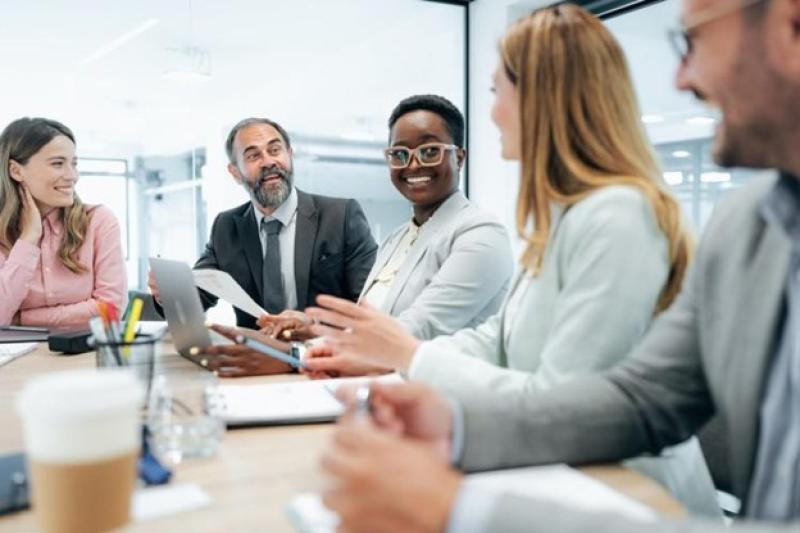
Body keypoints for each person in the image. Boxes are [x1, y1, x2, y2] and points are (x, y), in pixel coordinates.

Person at [320, 0, 800, 530]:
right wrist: (454, 421)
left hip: (624, 489)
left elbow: (567, 389)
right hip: (562, 475)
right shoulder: (744, 221)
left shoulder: (619, 216)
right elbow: (631, 397)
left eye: (496, 91)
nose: (681, 79)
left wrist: (414, 361)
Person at [202, 96, 514, 377]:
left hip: (447, 403)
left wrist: (294, 356)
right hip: (384, 391)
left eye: (430, 151)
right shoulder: (396, 239)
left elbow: (414, 330)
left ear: (459, 157)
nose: (413, 164)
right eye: (399, 153)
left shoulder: (481, 235)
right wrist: (311, 326)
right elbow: (368, 325)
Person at [148, 117, 378, 331]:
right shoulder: (226, 227)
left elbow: (371, 306)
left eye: (275, 150)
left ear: (290, 155)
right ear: (235, 173)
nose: (268, 161)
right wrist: (168, 292)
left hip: (326, 353)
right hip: (256, 357)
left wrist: (313, 324)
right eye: (253, 156)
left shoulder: (341, 216)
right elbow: (197, 296)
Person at [0, 118, 126, 328]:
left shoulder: (99, 222)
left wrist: (22, 318)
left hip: (82, 349)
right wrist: (28, 240)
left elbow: (111, 309)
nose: (73, 176)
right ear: (16, 171)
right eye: (58, 164)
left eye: (74, 164)